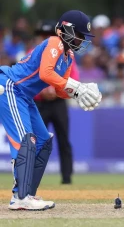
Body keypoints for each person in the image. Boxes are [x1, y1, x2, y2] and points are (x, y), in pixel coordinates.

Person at [0, 10, 102, 211]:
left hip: (25, 96)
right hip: (10, 87)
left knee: (44, 141)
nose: (81, 41)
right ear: (67, 30)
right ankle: (19, 197)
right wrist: (75, 86)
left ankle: (27, 194)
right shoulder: (54, 42)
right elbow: (46, 73)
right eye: (79, 35)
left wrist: (78, 93)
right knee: (26, 140)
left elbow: (58, 89)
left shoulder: (69, 56)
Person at [33, 20, 79, 185]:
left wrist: (56, 90)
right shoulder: (33, 52)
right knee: (36, 140)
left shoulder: (65, 53)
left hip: (59, 103)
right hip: (39, 103)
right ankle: (31, 177)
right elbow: (27, 78)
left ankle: (67, 177)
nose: (45, 38)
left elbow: (73, 78)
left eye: (48, 35)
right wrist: (42, 91)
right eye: (42, 35)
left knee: (63, 139)